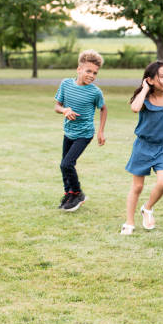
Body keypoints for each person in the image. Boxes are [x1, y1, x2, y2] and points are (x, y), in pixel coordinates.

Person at [121, 61, 163, 235]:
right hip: (142, 146)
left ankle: (147, 208)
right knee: (137, 187)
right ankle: (129, 222)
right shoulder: (145, 98)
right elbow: (135, 108)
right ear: (150, 80)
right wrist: (144, 89)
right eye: (162, 77)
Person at [54, 50, 107, 212]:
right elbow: (57, 106)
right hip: (69, 131)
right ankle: (69, 194)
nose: (91, 75)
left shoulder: (95, 92)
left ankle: (78, 193)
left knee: (67, 163)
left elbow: (103, 109)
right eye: (88, 71)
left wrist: (101, 132)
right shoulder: (65, 84)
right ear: (79, 69)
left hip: (84, 133)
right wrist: (64, 111)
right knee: (65, 165)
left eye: (95, 73)